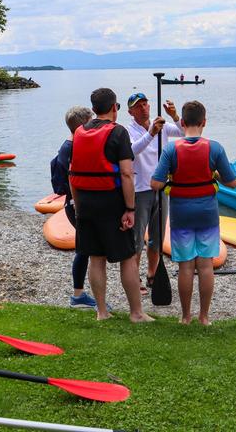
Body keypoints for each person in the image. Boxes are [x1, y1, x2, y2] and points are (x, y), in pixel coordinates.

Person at [69, 88, 153, 323]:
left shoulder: (79, 131)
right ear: (115, 107)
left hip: (85, 202)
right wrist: (130, 208)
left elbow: (72, 172)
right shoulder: (118, 132)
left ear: (94, 109)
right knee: (127, 258)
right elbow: (127, 173)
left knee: (96, 258)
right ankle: (136, 312)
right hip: (111, 202)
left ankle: (102, 311)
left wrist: (77, 205)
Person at [150, 100, 236, 325]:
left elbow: (155, 184)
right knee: (206, 265)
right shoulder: (215, 148)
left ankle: (185, 316)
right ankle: (204, 316)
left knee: (186, 266)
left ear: (183, 122)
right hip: (207, 213)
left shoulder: (171, 149)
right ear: (204, 122)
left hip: (181, 214)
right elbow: (233, 183)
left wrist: (172, 178)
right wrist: (214, 174)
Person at [125, 92, 183, 295]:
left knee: (157, 238)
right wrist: (150, 133)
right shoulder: (128, 130)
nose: (143, 108)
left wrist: (175, 115)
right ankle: (135, 278)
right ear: (130, 111)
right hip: (140, 190)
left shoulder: (162, 126)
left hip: (161, 187)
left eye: (145, 104)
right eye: (138, 106)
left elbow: (186, 133)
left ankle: (152, 274)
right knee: (137, 238)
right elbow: (132, 151)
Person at [51, 106, 97, 308]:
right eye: (91, 120)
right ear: (82, 125)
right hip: (76, 205)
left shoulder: (69, 145)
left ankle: (79, 294)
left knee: (84, 248)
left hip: (74, 204)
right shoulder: (73, 147)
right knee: (84, 249)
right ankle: (78, 296)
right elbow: (73, 180)